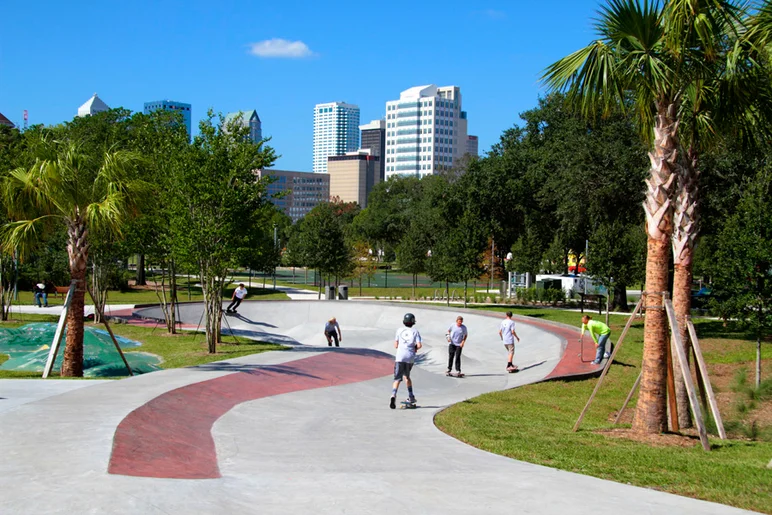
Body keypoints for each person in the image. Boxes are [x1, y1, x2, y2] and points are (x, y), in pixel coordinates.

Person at [390, 312, 422, 409]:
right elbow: (419, 345)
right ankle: (411, 396)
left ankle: (393, 395)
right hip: (410, 357)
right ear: (413, 322)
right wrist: (415, 347)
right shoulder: (415, 331)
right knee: (407, 377)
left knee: (397, 379)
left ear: (404, 321)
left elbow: (395, 345)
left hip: (400, 357)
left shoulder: (399, 330)